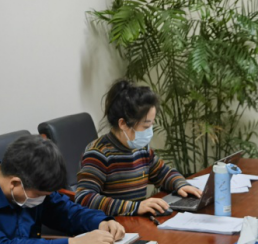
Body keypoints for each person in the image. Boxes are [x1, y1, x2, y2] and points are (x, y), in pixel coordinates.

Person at [75, 80, 201, 216]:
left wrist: (181, 184)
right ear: (123, 124)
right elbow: (84, 198)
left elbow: (163, 173)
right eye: (146, 126)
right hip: (112, 224)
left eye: (152, 125)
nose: (150, 131)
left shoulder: (141, 149)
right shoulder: (98, 153)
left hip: (137, 220)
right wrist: (135, 207)